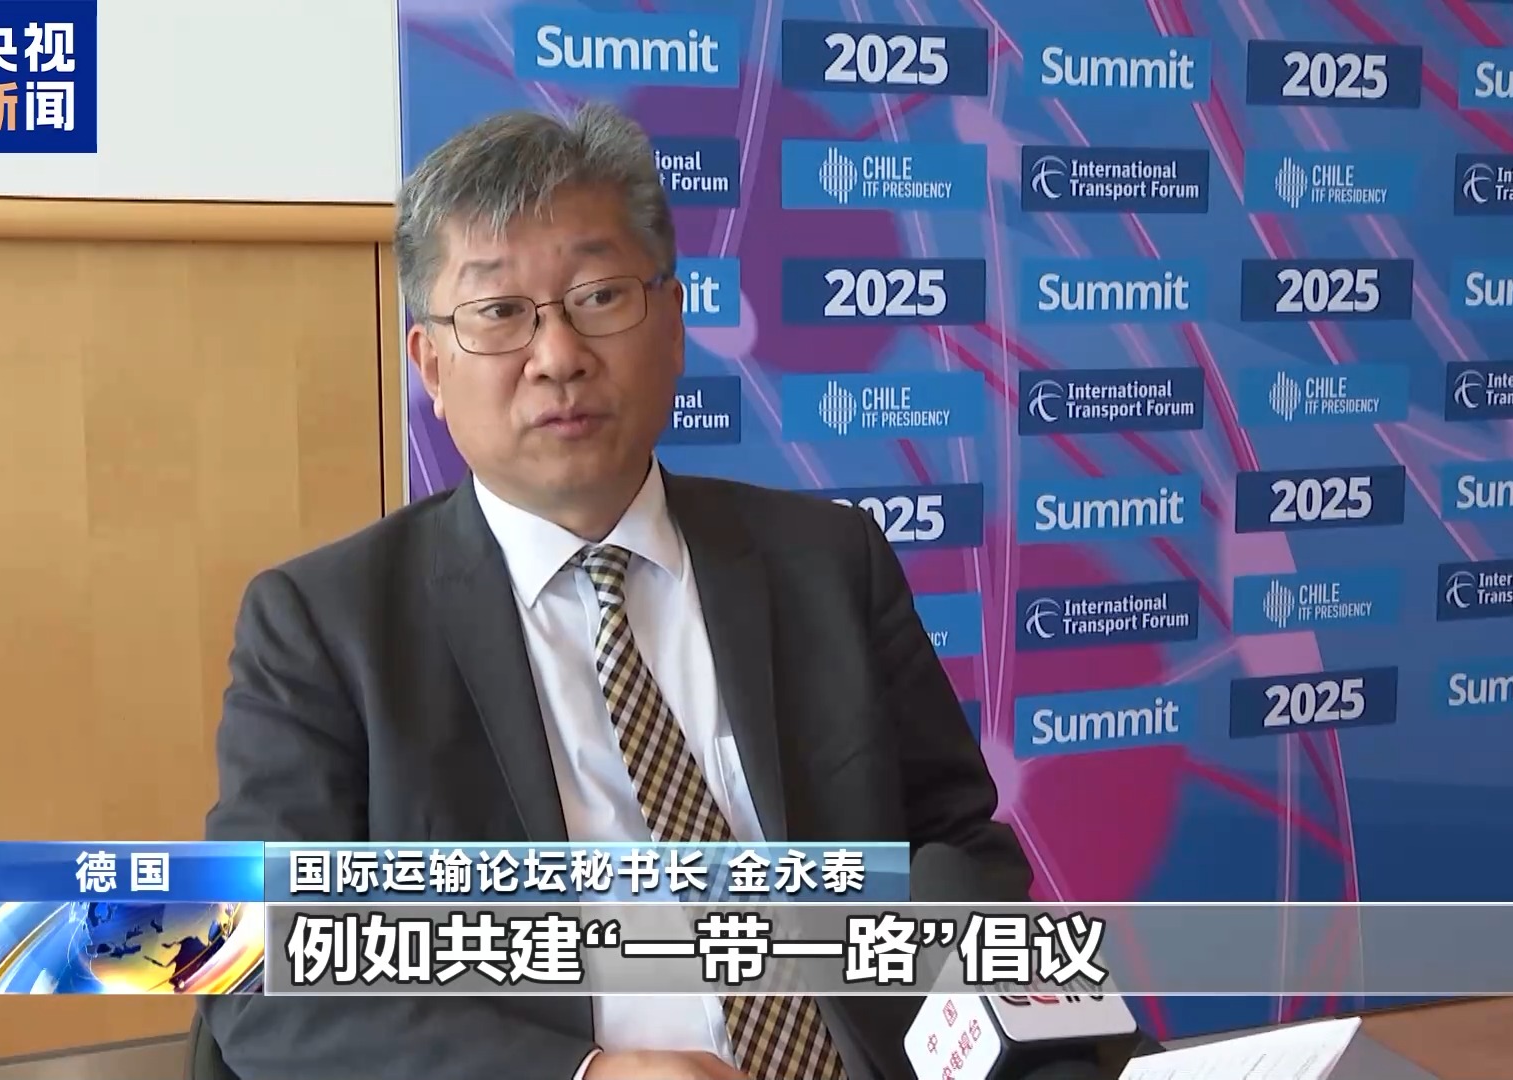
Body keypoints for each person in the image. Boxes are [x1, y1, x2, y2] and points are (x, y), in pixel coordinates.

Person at [197, 101, 1031, 1080]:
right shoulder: (325, 629)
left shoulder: (827, 562)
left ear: (672, 325)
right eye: (499, 313)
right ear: (430, 364)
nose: (558, 356)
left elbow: (956, 848)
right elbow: (254, 973)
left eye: (598, 296)